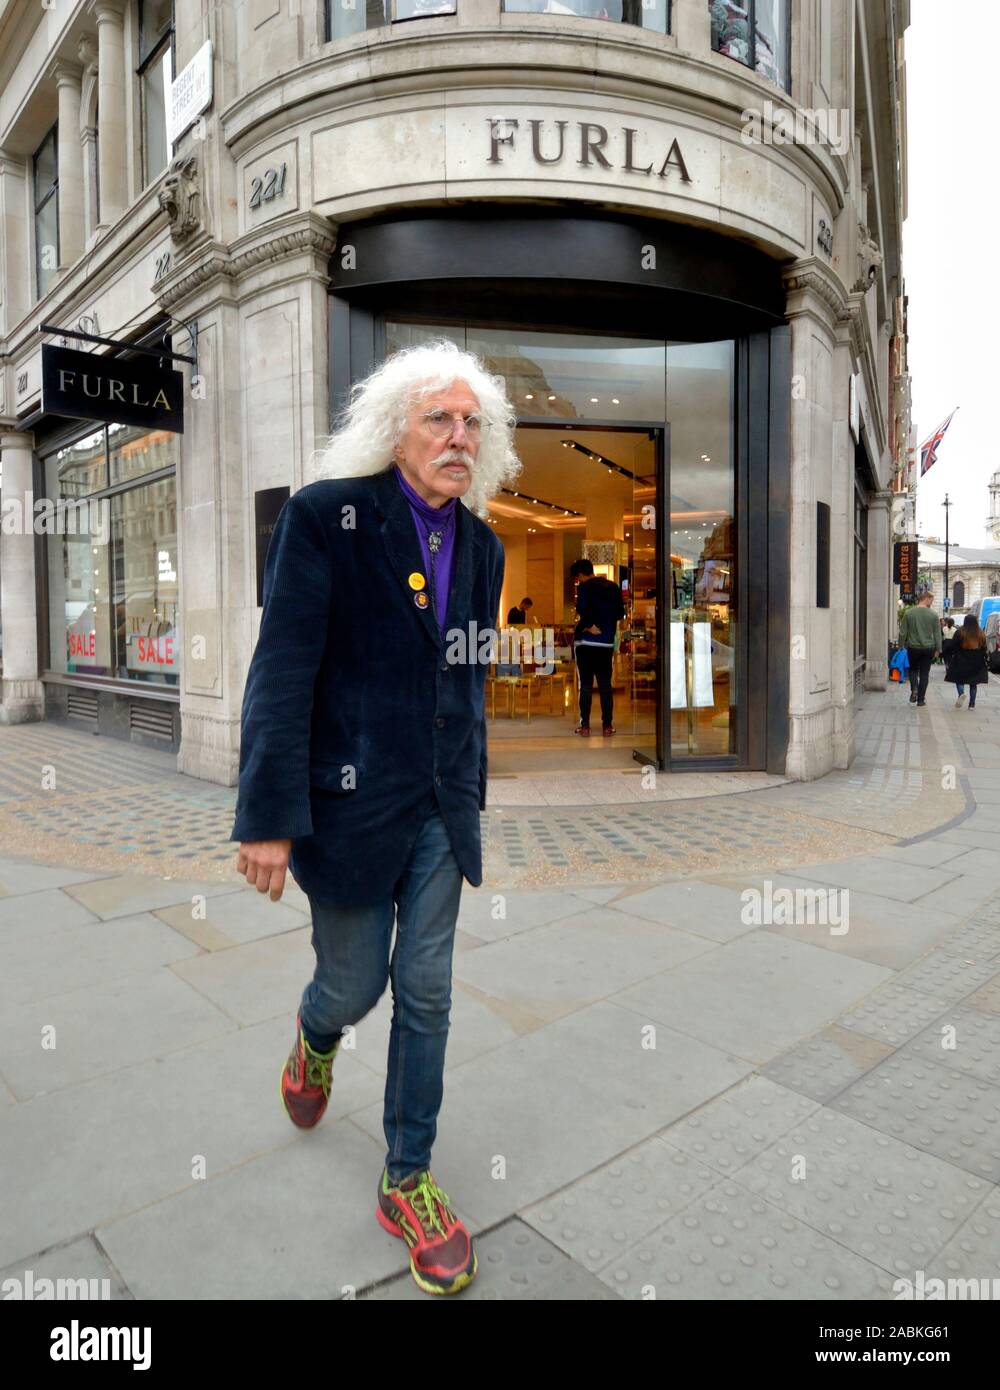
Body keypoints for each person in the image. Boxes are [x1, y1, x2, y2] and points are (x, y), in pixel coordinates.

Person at [230, 339, 518, 1296]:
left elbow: (466, 680)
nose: (458, 437)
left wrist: (471, 791)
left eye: (472, 423)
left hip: (441, 806)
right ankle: (315, 1035)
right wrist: (267, 814)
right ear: (395, 428)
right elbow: (282, 671)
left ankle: (408, 1178)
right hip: (349, 807)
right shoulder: (326, 519)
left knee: (427, 991)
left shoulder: (484, 545)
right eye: (440, 418)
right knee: (354, 986)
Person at [570, 558, 625, 736]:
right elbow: (619, 613)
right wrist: (605, 627)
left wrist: (588, 625)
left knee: (585, 685)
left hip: (585, 643)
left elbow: (582, 610)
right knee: (605, 686)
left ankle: (585, 726)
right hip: (606, 643)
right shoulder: (613, 587)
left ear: (580, 574)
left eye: (577, 578)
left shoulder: (584, 588)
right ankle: (607, 726)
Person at [898, 589, 940, 707]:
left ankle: (914, 689)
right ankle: (921, 700)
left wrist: (901, 645)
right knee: (924, 674)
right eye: (931, 600)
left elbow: (902, 632)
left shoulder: (909, 613)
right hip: (928, 648)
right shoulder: (933, 615)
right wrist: (938, 649)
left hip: (913, 647)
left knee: (913, 670)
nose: (932, 602)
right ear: (926, 598)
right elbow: (937, 634)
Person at [943, 613, 989, 709]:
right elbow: (984, 647)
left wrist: (945, 652)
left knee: (959, 679)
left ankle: (961, 694)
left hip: (961, 658)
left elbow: (953, 645)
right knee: (973, 683)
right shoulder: (980, 633)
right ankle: (972, 704)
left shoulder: (960, 632)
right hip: (976, 659)